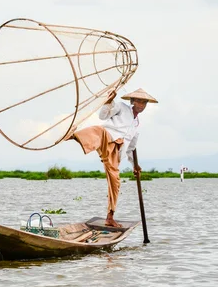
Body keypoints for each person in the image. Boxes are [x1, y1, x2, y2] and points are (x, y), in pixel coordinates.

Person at [62, 88, 158, 227]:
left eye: (144, 103)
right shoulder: (121, 107)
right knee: (99, 130)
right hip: (107, 137)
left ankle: (110, 216)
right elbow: (103, 116)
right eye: (139, 101)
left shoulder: (136, 126)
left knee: (115, 182)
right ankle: (72, 136)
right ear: (132, 101)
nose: (141, 105)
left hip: (116, 151)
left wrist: (135, 166)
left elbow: (131, 149)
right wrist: (108, 102)